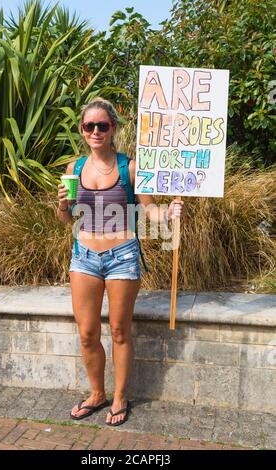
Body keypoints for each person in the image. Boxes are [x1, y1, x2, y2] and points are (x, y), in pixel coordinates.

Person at [57, 97, 184, 426]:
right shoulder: (74, 169)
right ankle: (97, 393)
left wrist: (167, 213)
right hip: (83, 255)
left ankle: (120, 396)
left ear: (113, 128)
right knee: (86, 333)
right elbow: (67, 218)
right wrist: (61, 206)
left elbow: (149, 210)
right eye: (89, 126)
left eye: (103, 125)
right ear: (82, 130)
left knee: (119, 330)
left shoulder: (130, 166)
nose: (96, 131)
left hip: (122, 255)